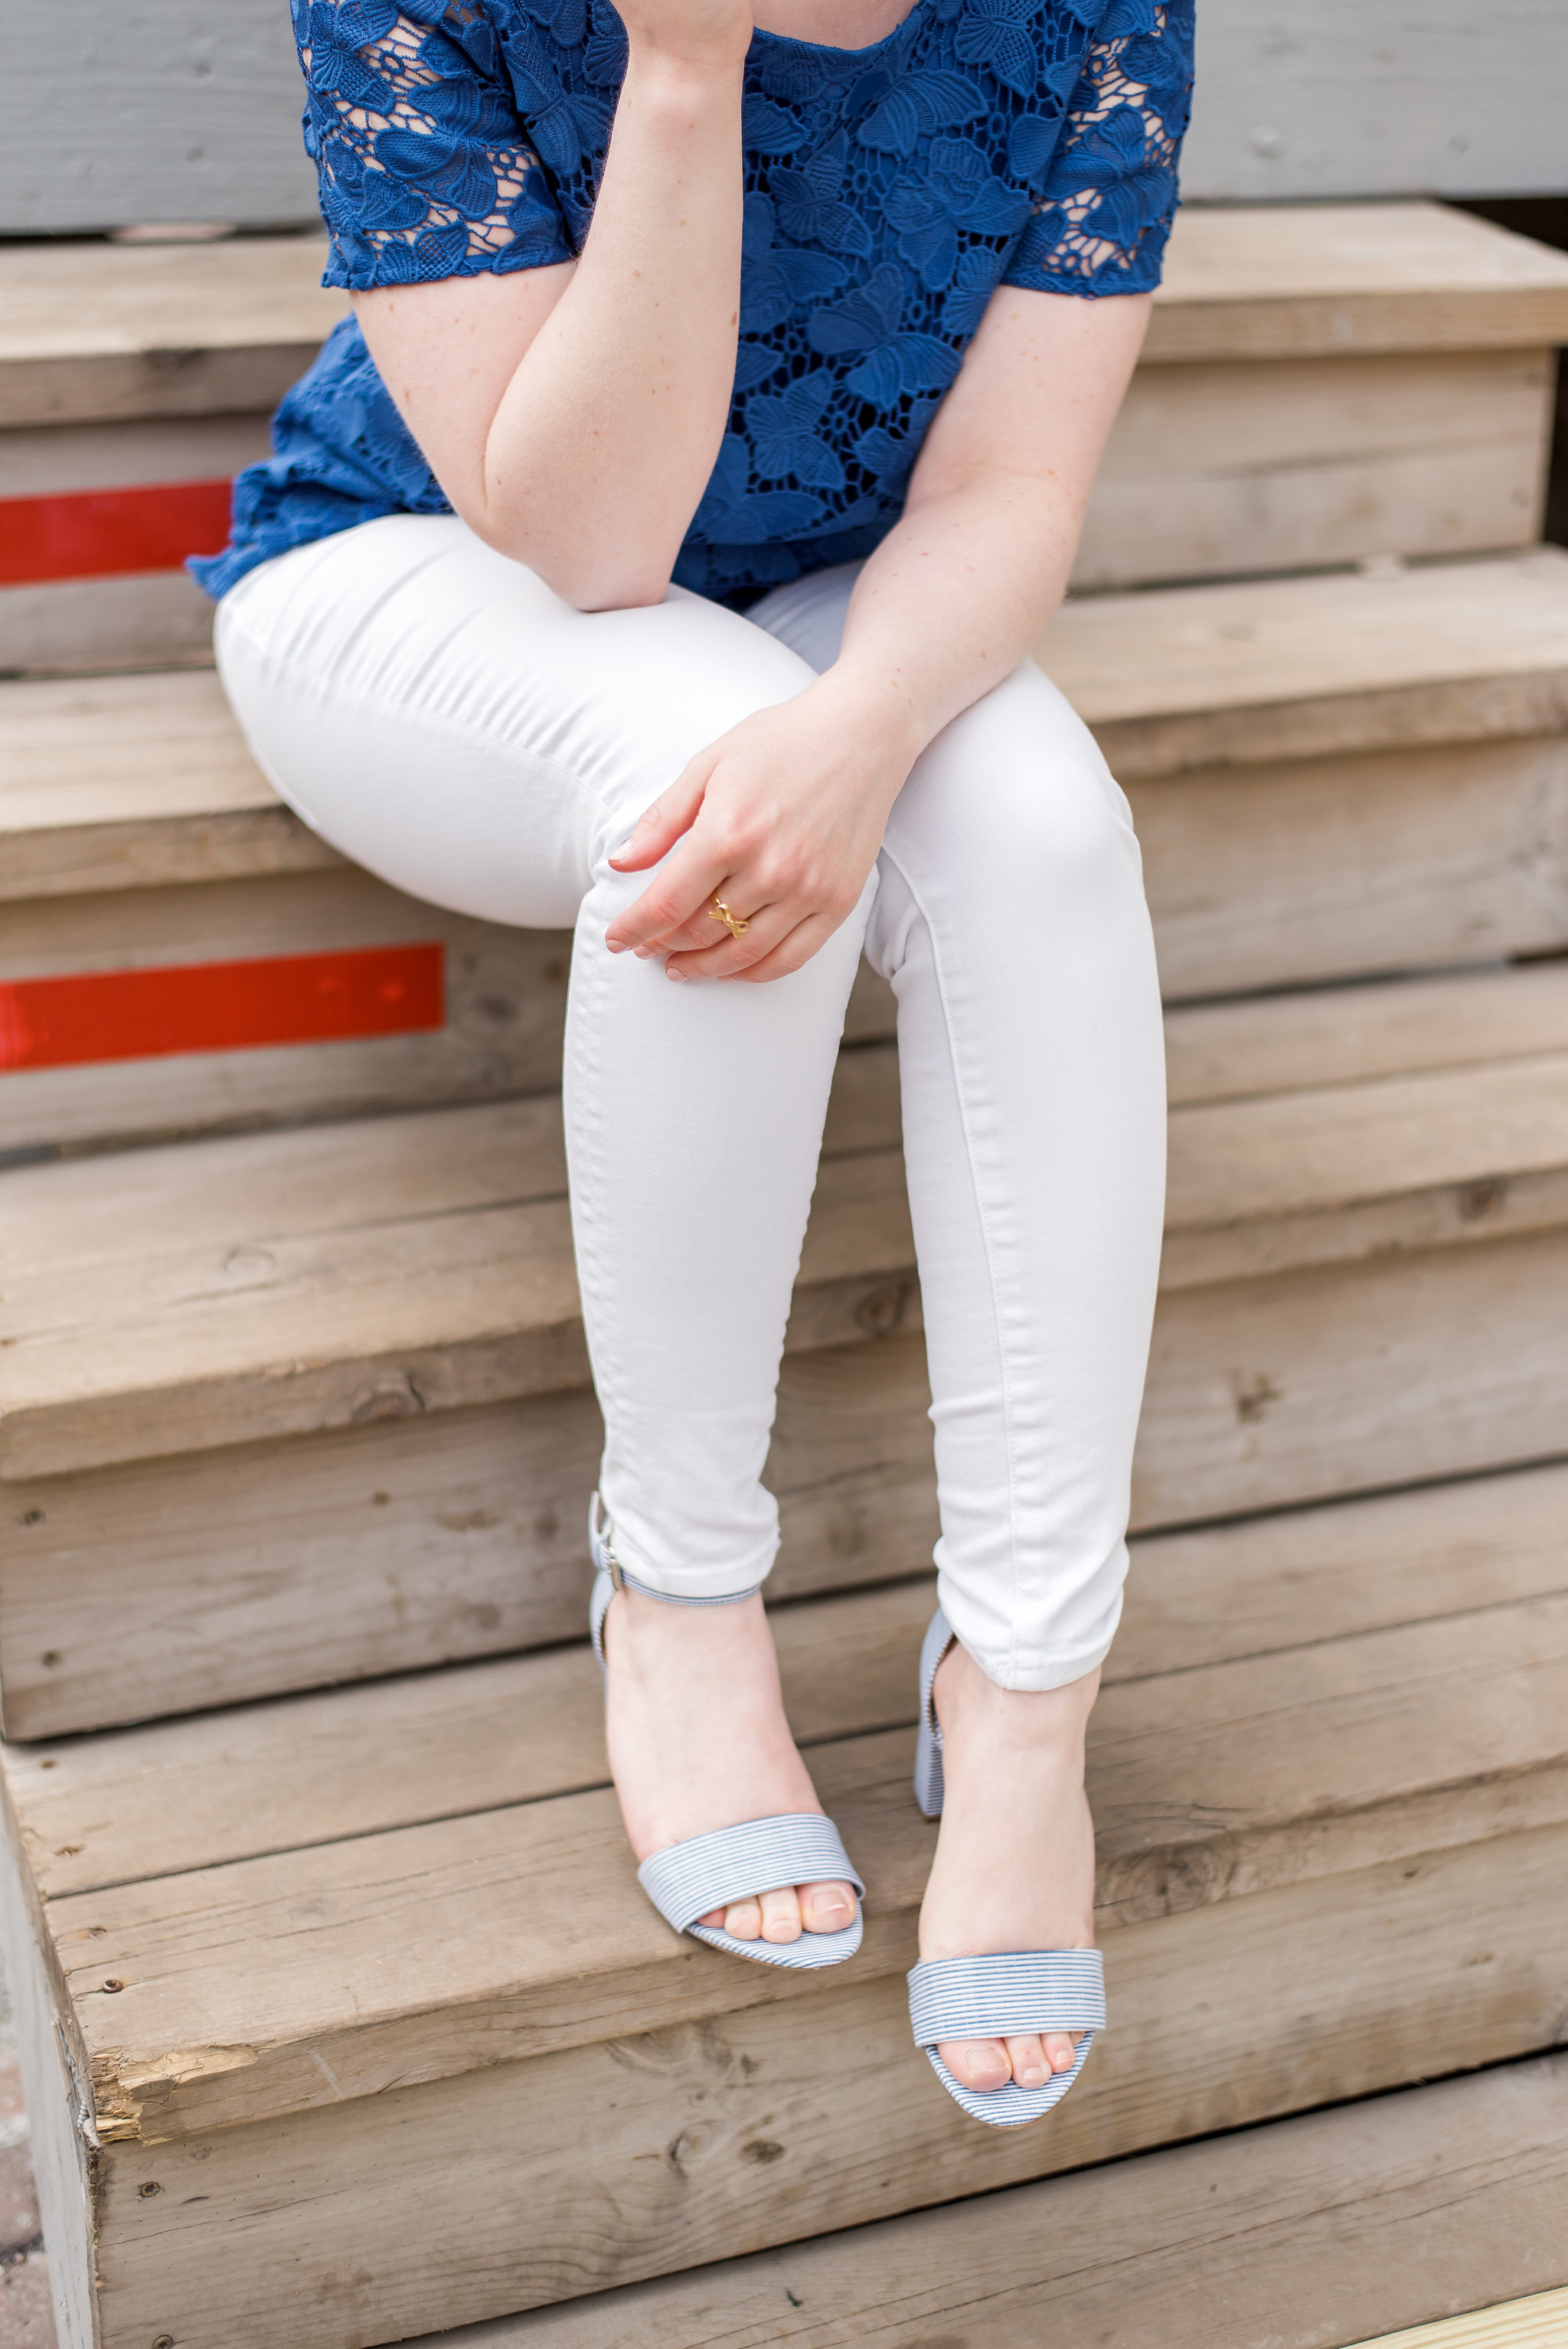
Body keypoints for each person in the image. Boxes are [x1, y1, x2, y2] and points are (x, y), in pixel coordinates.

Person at [197, 0, 1194, 2124]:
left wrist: (861, 730)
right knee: (693, 779)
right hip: (418, 574)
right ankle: (678, 1586)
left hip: (833, 593)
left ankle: (1024, 1689)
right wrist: (680, 66)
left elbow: (1013, 481)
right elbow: (587, 546)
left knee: (1039, 830)